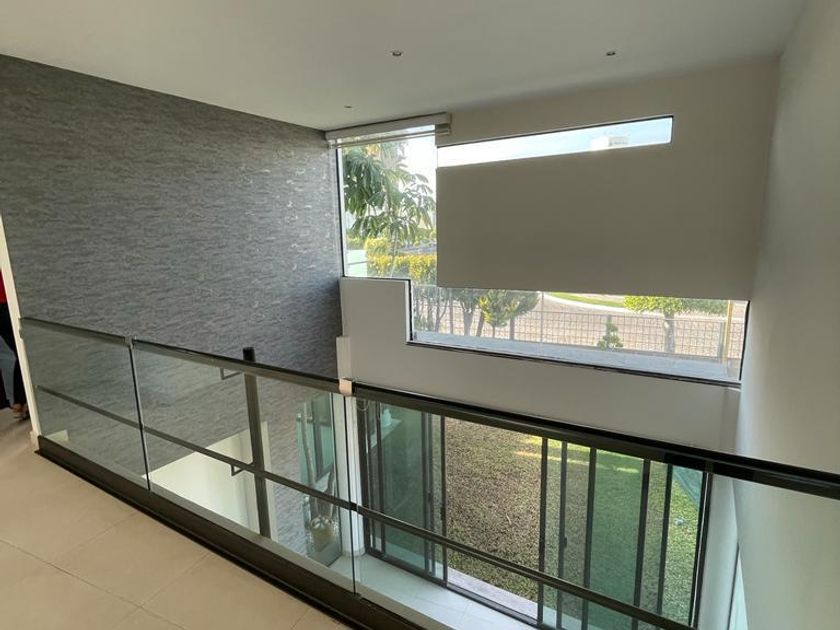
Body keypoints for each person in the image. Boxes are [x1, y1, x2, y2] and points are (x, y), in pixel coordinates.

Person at [0, 272, 27, 420]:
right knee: (23, 351)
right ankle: (21, 401)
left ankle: (19, 402)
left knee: (20, 352)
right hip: (5, 304)